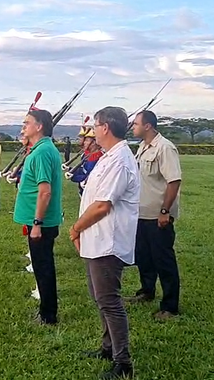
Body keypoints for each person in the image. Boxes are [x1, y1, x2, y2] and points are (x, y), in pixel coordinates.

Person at [69, 106, 139, 379]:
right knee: (100, 298)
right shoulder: (108, 157)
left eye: (95, 126)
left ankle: (123, 362)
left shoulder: (120, 160)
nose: (92, 131)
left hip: (108, 241)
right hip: (96, 238)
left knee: (109, 301)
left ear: (105, 128)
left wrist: (75, 229)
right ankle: (108, 347)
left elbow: (102, 206)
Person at [129, 110, 182, 320]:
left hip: (157, 216)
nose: (133, 127)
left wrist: (164, 211)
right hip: (141, 213)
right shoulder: (143, 147)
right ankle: (146, 291)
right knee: (143, 256)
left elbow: (174, 181)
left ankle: (170, 306)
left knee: (163, 260)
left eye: (136, 124)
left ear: (148, 126)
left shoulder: (165, 148)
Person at [13, 109, 63, 325]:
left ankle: (48, 315)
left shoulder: (42, 152)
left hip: (41, 223)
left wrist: (37, 223)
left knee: (43, 267)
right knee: (42, 265)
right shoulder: (41, 149)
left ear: (39, 126)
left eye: (27, 122)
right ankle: (46, 310)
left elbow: (45, 191)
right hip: (38, 222)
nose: (23, 126)